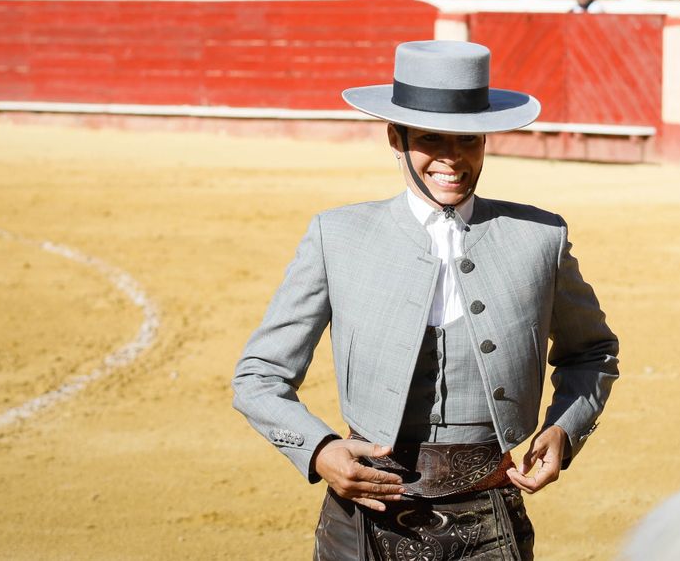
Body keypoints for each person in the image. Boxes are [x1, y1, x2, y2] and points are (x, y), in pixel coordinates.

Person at [234, 40, 619, 560]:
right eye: (432, 139)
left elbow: (593, 352)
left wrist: (565, 429)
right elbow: (258, 375)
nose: (452, 159)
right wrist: (320, 451)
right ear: (396, 137)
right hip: (363, 513)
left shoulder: (538, 237)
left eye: (469, 140)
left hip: (490, 515)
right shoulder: (338, 236)